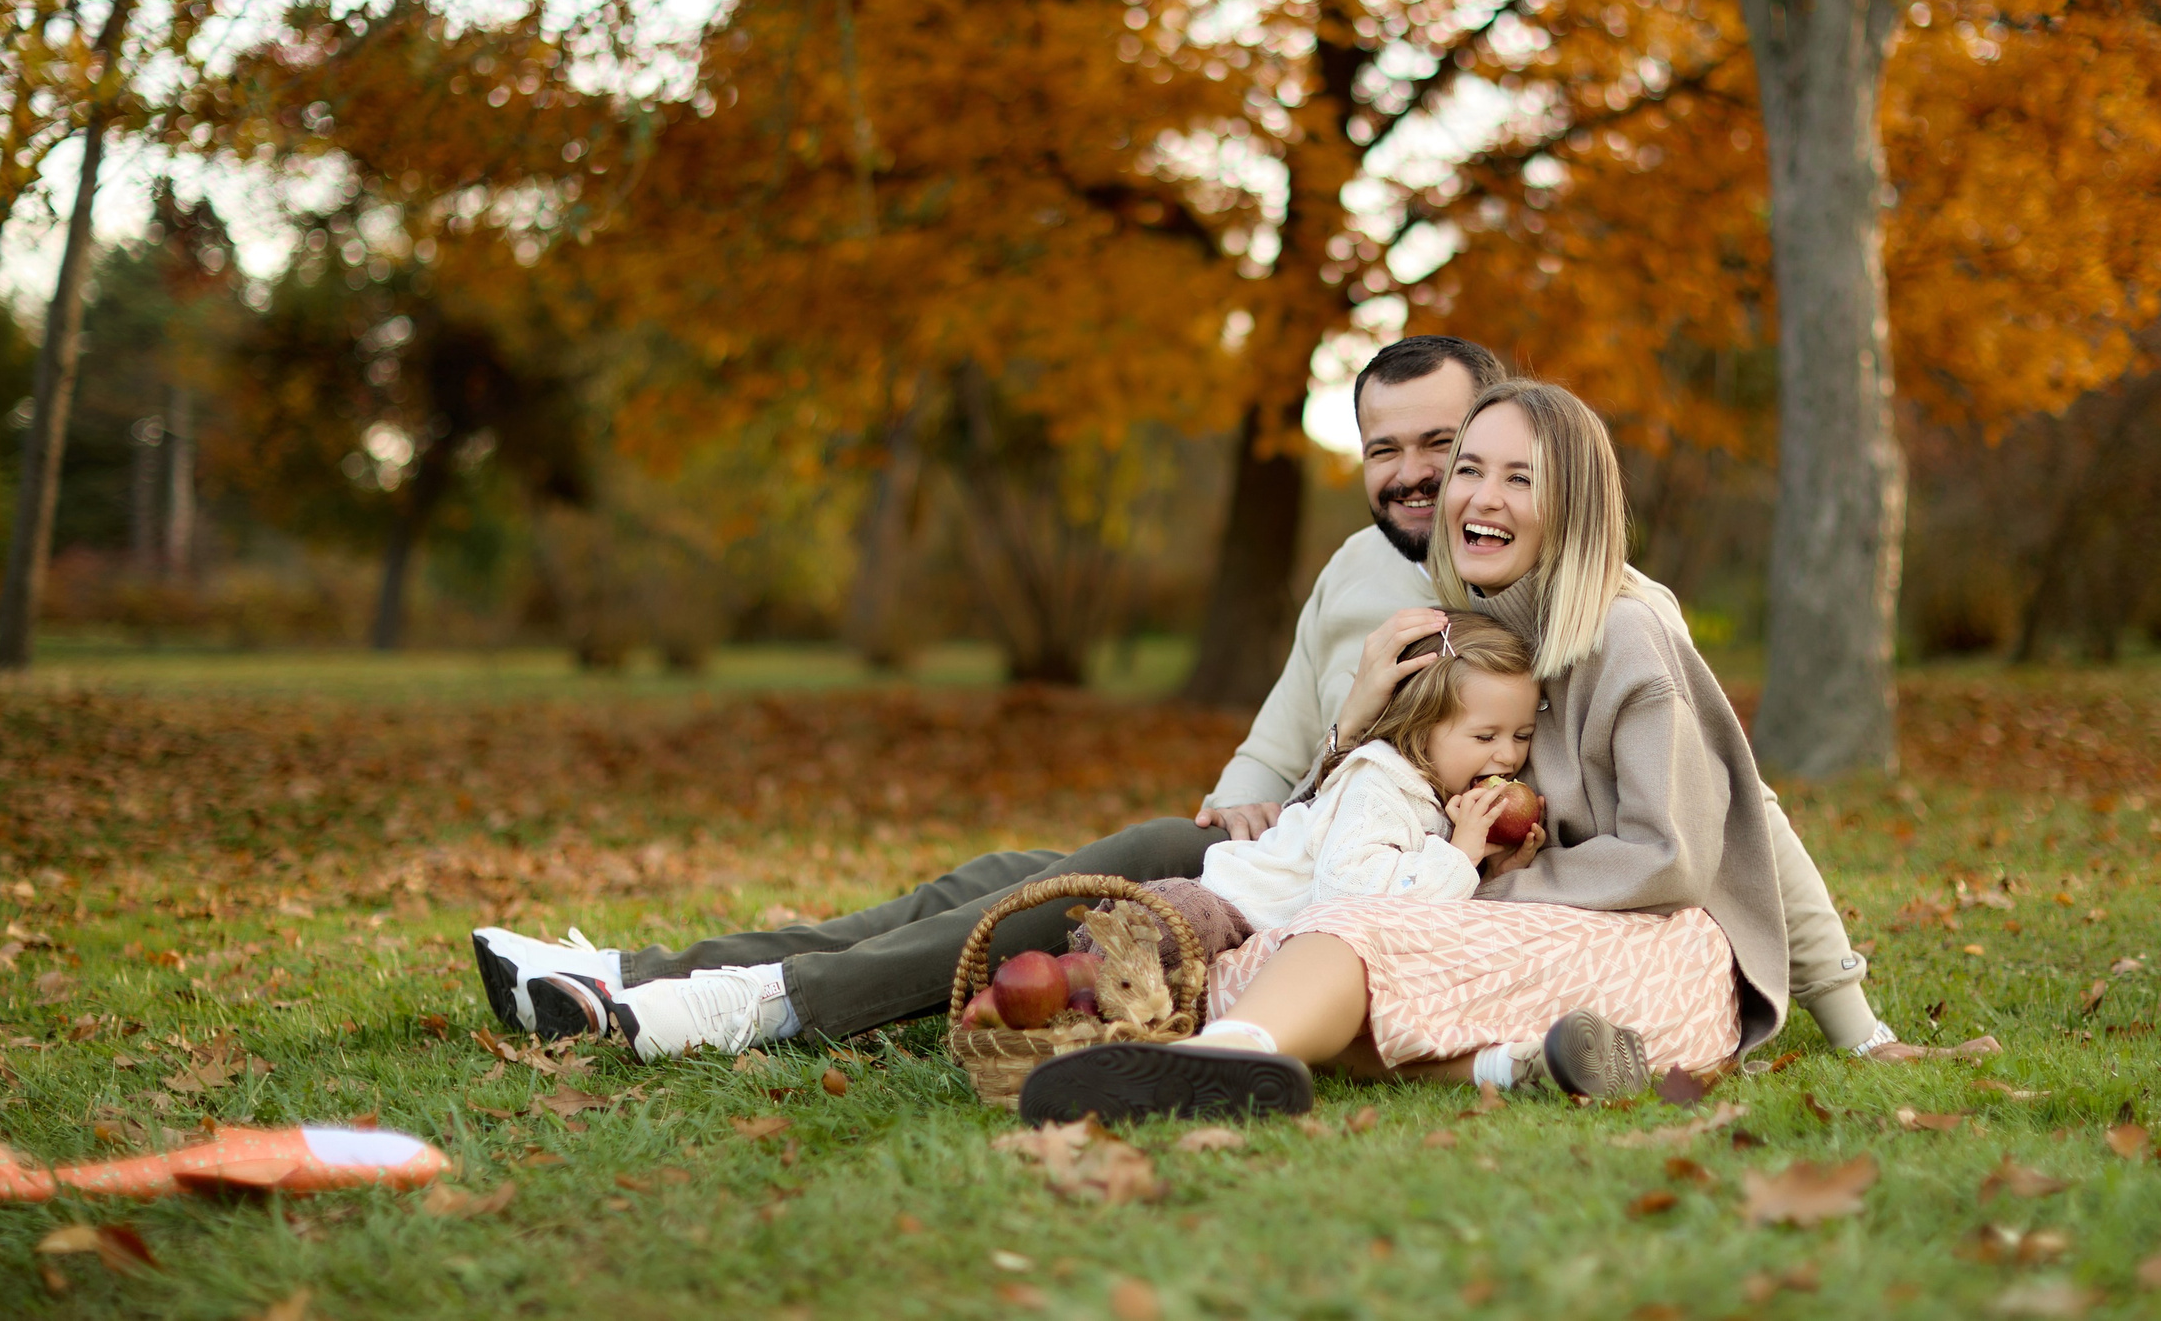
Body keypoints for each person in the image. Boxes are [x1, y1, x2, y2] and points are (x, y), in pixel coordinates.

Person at [472, 337, 1893, 1062]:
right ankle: (645, 971)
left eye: (1469, 453)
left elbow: (1736, 816)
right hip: (1312, 837)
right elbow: (1306, 751)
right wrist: (1331, 740)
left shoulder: (1613, 623)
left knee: (1040, 899)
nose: (1442, 480)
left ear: (1545, 479)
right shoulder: (1399, 595)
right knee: (1002, 873)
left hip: (1394, 884)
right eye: (1414, 457)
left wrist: (1850, 1012)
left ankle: (724, 1006)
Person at [1020, 380, 1827, 1125]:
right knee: (1271, 951)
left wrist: (1855, 1019)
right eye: (1470, 469)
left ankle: (1215, 1062)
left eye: (1520, 477)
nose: (1482, 495)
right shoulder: (1479, 633)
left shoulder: (1629, 632)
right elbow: (1347, 817)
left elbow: (1677, 856)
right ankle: (1513, 1065)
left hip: (1653, 948)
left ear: (1575, 504)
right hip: (1544, 940)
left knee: (1346, 938)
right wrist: (1357, 722)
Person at [1178, 610, 1544, 940]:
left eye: (1522, 736)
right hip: (1222, 907)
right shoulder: (1379, 782)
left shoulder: (1446, 798)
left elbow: (1412, 899)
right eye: (1485, 736)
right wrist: (1459, 856)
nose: (1509, 755)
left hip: (1246, 922)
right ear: (1422, 727)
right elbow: (1344, 895)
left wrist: (1492, 872)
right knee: (1147, 960)